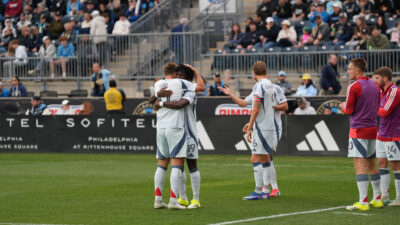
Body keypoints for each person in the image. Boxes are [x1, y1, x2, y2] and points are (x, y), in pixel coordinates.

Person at [219, 61, 288, 200]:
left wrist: (250, 127)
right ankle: (267, 190)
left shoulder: (260, 86)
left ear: (253, 72)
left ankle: (259, 191)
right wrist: (230, 94)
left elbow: (256, 109)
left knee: (256, 158)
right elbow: (244, 103)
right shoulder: (269, 86)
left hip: (265, 127)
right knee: (265, 157)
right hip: (266, 126)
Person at [152, 62, 205, 210]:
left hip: (189, 131)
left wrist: (158, 101)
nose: (179, 78)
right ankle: (181, 198)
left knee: (191, 165)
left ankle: (196, 199)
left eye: (182, 76)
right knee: (178, 166)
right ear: (175, 74)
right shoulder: (177, 86)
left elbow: (181, 102)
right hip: (177, 129)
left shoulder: (188, 90)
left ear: (187, 79)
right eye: (178, 74)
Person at [340, 58, 382, 211]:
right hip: (372, 129)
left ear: (357, 70)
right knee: (372, 165)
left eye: (350, 68)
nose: (348, 71)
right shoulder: (374, 85)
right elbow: (377, 107)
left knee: (360, 166)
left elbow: (349, 110)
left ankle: (363, 202)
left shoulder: (354, 86)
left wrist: (342, 106)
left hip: (358, 130)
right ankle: (377, 198)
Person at [372, 67, 400, 207]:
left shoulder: (394, 90)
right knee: (381, 163)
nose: (374, 81)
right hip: (382, 134)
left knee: (396, 165)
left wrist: (369, 108)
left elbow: (384, 112)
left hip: (393, 134)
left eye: (377, 78)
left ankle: (399, 198)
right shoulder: (382, 92)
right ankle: (385, 196)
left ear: (385, 78)